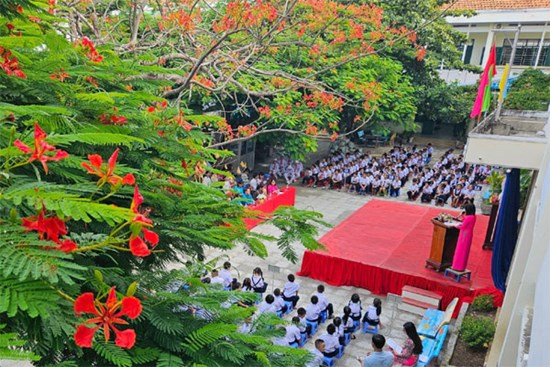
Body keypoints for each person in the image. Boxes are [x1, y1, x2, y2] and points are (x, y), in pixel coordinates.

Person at [451, 203, 477, 271]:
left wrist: (455, 225)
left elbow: (462, 226)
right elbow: (465, 221)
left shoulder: (468, 217)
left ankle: (457, 266)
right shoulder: (473, 216)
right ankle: (461, 266)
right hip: (468, 234)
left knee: (460, 250)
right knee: (464, 251)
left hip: (464, 235)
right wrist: (462, 215)